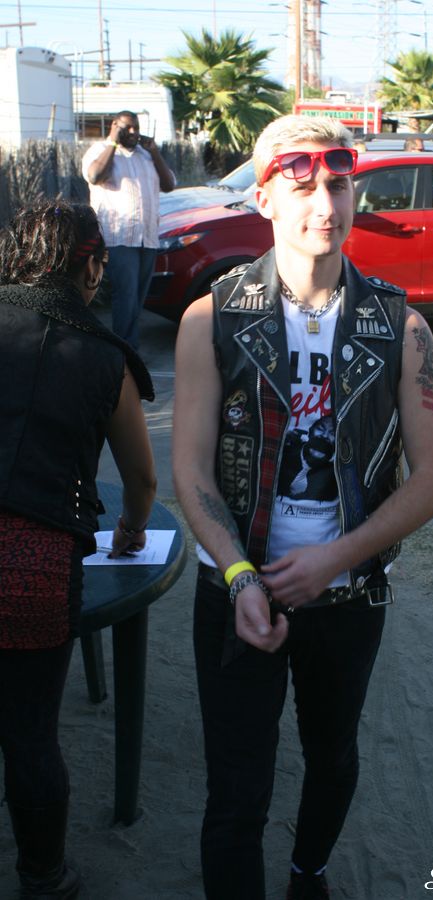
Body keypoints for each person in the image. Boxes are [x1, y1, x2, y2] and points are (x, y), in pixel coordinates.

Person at [172, 114, 433, 900]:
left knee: (332, 754)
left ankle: (309, 871)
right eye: (302, 187)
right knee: (236, 789)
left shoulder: (399, 326)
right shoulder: (212, 319)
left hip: (348, 595)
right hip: (236, 590)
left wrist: (337, 557)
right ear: (264, 199)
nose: (325, 205)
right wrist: (239, 574)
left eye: (339, 184)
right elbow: (190, 468)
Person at [0, 200, 157, 899]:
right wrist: (129, 529)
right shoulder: (104, 357)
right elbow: (142, 479)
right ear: (90, 266)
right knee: (30, 736)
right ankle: (45, 877)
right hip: (33, 566)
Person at [82, 110, 176, 350]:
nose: (133, 132)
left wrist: (154, 152)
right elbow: (95, 176)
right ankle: (125, 351)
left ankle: (125, 347)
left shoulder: (146, 155)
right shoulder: (100, 151)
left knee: (137, 297)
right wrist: (113, 143)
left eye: (136, 127)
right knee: (125, 295)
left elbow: (169, 185)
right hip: (119, 237)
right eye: (127, 128)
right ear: (115, 126)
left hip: (147, 237)